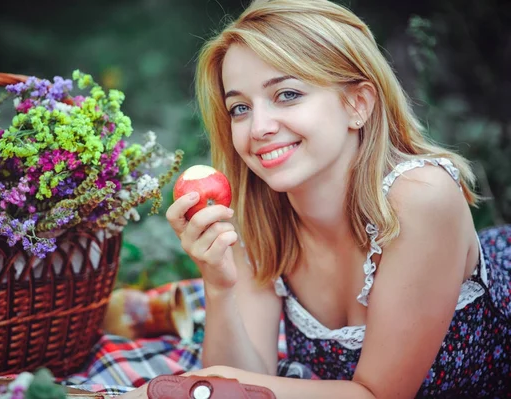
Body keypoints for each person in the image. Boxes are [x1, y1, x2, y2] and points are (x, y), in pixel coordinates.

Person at [119, 0, 511, 397]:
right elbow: (237, 380)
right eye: (240, 107)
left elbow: (377, 395)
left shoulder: (422, 199)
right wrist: (218, 285)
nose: (259, 128)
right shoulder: (258, 215)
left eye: (287, 94)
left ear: (357, 103)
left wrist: (177, 388)